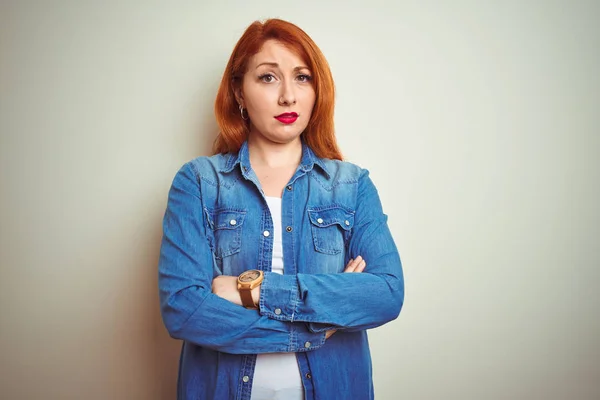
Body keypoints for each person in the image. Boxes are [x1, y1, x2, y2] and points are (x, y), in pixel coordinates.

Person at [158, 18, 404, 400]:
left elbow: (386, 293)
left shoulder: (351, 185)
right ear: (239, 91)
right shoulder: (200, 182)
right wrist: (317, 324)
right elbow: (185, 309)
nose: (288, 96)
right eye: (268, 78)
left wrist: (251, 290)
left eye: (302, 77)